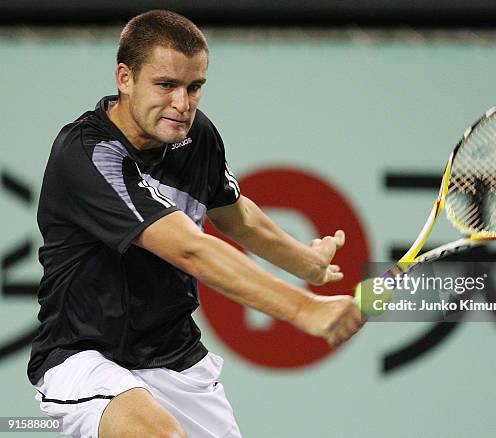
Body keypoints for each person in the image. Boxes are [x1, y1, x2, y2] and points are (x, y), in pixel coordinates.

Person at [27, 9, 364, 438]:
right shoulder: (88, 154)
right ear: (124, 78)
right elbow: (190, 248)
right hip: (84, 356)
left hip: (175, 357)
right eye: (165, 85)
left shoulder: (195, 136)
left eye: (194, 87)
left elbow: (234, 213)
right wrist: (304, 309)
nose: (182, 104)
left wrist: (306, 264)